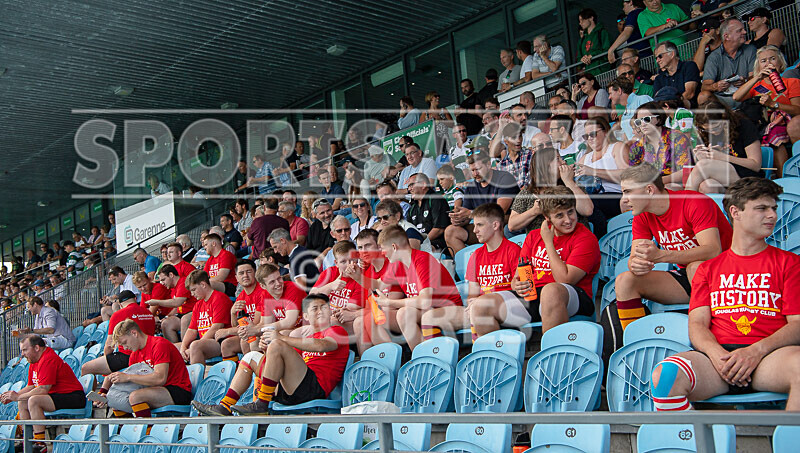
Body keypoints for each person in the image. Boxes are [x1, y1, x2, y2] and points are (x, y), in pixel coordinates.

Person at [650, 177, 800, 412]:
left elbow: (797, 324)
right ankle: (690, 445)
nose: (771, 215)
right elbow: (698, 324)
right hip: (718, 359)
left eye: (773, 208)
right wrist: (718, 356)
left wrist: (754, 351)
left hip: (770, 357)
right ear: (735, 212)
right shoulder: (708, 268)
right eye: (761, 208)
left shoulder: (790, 263)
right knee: (666, 376)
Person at [613, 164, 732, 330]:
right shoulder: (642, 215)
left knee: (696, 267)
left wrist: (661, 256)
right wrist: (636, 264)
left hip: (728, 273)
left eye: (628, 191)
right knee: (625, 280)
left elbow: (712, 250)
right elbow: (634, 257)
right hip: (689, 276)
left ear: (649, 190)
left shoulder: (693, 202)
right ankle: (636, 340)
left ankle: (718, 333)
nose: (624, 199)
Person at [474, 187, 600, 335]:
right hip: (534, 296)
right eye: (559, 215)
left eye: (571, 212)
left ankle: (551, 354)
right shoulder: (533, 236)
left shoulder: (585, 238)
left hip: (573, 296)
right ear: (547, 218)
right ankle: (499, 356)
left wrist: (548, 242)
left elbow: (565, 279)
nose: (568, 220)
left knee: (551, 291)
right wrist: (517, 284)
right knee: (482, 306)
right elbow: (517, 277)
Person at [225, 294, 349, 415]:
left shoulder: (337, 331)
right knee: (251, 357)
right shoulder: (306, 338)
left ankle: (262, 403)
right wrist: (267, 350)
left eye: (324, 307)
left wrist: (280, 338)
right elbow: (285, 364)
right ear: (305, 316)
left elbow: (323, 345)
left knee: (277, 344)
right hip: (292, 387)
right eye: (315, 308)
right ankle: (225, 406)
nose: (320, 311)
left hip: (314, 389)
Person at [421, 203, 520, 341]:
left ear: (495, 225)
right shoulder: (476, 255)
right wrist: (473, 302)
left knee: (477, 310)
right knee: (428, 318)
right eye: (475, 225)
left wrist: (478, 303)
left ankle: (479, 356)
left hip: (504, 309)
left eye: (480, 225)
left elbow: (517, 290)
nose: (475, 231)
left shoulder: (513, 250)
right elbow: (472, 293)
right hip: (477, 309)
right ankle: (436, 357)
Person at [370, 226, 461, 350]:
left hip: (448, 310)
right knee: (377, 317)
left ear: (394, 247)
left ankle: (428, 358)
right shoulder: (397, 265)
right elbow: (377, 284)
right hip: (426, 311)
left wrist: (389, 302)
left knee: (404, 313)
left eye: (384, 249)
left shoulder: (422, 261)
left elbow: (425, 301)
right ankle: (411, 359)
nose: (383, 254)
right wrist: (355, 275)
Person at [1, 335, 86, 450]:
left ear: (37, 348)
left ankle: (40, 443)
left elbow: (43, 389)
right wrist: (13, 396)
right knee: (22, 401)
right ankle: (26, 440)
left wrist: (17, 396)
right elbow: (31, 386)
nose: (22, 354)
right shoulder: (34, 361)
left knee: (34, 400)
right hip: (56, 396)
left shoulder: (48, 358)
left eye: (25, 350)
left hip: (73, 396)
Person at [733, 45, 800, 178]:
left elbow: (797, 109)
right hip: (765, 125)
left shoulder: (791, 82)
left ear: (780, 62)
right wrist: (757, 78)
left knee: (777, 132)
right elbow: (736, 97)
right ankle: (784, 180)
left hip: (787, 120)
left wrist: (774, 105)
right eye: (763, 61)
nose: (768, 63)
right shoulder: (757, 85)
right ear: (759, 65)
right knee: (772, 134)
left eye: (772, 59)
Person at [106, 319, 192, 417]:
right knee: (117, 401)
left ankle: (146, 430)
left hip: (178, 390)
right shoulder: (134, 354)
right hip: (155, 389)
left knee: (136, 397)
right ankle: (127, 429)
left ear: (134, 333)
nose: (125, 348)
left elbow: (160, 378)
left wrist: (128, 377)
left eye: (125, 342)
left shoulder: (159, 345)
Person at [83, 290, 156, 403]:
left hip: (127, 355)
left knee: (86, 368)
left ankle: (89, 404)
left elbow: (109, 344)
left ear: (120, 304)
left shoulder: (119, 314)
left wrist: (107, 358)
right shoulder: (148, 313)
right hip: (147, 353)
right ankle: (102, 395)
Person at [445, 152, 520, 252]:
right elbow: (467, 215)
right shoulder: (471, 187)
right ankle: (470, 266)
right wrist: (459, 218)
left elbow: (499, 212)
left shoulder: (505, 179)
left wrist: (471, 213)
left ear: (489, 165)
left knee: (492, 223)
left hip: (503, 225)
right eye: (472, 170)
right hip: (481, 227)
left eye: (478, 169)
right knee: (451, 231)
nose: (475, 174)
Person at [685, 100, 762, 193]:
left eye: (716, 127)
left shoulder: (744, 126)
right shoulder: (705, 133)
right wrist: (701, 157)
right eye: (708, 130)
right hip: (724, 178)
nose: (713, 132)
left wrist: (723, 157)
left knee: (703, 165)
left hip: (747, 178)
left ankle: (685, 203)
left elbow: (755, 165)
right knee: (707, 186)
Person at [311, 241, 369, 339]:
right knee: (295, 334)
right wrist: (330, 286)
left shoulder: (361, 277)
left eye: (351, 260)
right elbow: (311, 296)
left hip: (349, 322)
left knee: (328, 323)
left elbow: (347, 311)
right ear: (336, 263)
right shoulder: (330, 272)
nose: (348, 265)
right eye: (343, 262)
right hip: (326, 318)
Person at [212, 259, 266, 361]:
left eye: (249, 272)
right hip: (250, 333)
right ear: (236, 278)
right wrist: (232, 313)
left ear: (255, 273)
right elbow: (236, 325)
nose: (245, 275)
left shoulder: (262, 292)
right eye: (241, 273)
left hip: (262, 331)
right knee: (227, 344)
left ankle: (253, 372)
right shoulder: (241, 296)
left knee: (245, 340)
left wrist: (228, 331)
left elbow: (255, 325)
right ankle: (237, 372)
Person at [627, 102, 691, 187]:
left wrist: (658, 182)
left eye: (647, 119)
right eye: (639, 121)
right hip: (648, 187)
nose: (642, 124)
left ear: (658, 119)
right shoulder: (637, 147)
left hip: (674, 184)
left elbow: (685, 171)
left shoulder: (677, 138)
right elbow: (633, 174)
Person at [575, 117, 628, 219]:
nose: (589, 138)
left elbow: (627, 176)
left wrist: (594, 172)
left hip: (615, 195)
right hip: (591, 197)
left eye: (593, 134)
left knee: (591, 205)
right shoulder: (585, 158)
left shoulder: (617, 147)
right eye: (586, 136)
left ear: (605, 132)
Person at [179, 270, 234, 364]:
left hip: (220, 341)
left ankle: (196, 378)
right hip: (205, 341)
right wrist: (183, 347)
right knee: (172, 347)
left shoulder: (219, 298)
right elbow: (191, 330)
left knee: (195, 346)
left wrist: (193, 347)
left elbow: (216, 328)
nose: (192, 294)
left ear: (203, 284)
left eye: (193, 290)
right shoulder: (198, 304)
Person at [699, 18, 756, 108]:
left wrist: (745, 81)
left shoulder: (750, 49)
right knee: (703, 96)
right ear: (727, 37)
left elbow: (755, 77)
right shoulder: (714, 57)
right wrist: (716, 86)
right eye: (739, 30)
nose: (745, 32)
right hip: (722, 99)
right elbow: (705, 86)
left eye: (744, 29)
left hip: (746, 94)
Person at [145, 264, 197, 343]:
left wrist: (156, 302)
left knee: (185, 319)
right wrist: (166, 317)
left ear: (171, 275)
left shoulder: (183, 282)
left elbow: (177, 302)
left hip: (194, 313)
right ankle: (174, 349)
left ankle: (185, 349)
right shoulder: (173, 287)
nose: (162, 283)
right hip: (181, 314)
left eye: (163, 279)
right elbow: (177, 308)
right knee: (166, 323)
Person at [406, 173, 451, 251]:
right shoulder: (412, 208)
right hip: (419, 243)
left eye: (412, 185)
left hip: (438, 243)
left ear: (423, 185)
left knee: (423, 250)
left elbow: (439, 229)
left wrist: (422, 243)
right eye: (408, 186)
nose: (409, 189)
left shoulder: (436, 200)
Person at [653, 41, 701, 108]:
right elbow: (657, 100)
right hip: (668, 111)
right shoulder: (659, 79)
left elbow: (689, 93)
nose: (657, 60)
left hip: (691, 108)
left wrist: (673, 104)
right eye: (656, 58)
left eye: (660, 56)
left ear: (672, 54)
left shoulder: (689, 66)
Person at [497, 122, 534, 189]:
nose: (518, 140)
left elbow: (532, 181)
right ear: (506, 140)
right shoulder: (501, 166)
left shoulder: (530, 155)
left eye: (520, 136)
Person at [576, 8, 611, 75]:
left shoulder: (602, 33)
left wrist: (592, 55)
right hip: (589, 75)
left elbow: (608, 50)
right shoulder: (582, 40)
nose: (580, 23)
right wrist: (582, 59)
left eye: (582, 20)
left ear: (591, 18)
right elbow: (578, 59)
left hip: (604, 72)